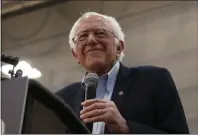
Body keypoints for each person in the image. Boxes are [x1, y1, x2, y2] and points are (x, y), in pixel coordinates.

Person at [55, 12, 189, 134]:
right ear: (76, 55)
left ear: (119, 47)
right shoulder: (61, 99)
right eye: (82, 36)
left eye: (100, 33)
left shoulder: (154, 80)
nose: (91, 40)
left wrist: (126, 127)